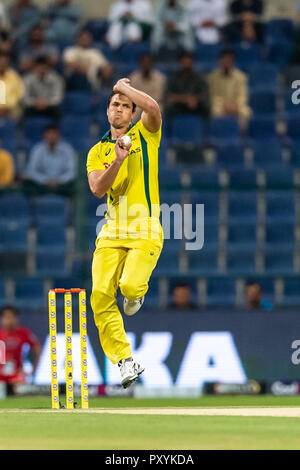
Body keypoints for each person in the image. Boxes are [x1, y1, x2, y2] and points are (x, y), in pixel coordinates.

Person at [87, 78, 163, 388]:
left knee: (130, 288)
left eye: (125, 106)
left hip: (145, 226)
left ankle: (138, 293)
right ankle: (124, 361)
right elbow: (96, 188)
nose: (119, 109)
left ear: (132, 114)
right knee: (100, 295)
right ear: (107, 112)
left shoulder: (146, 134)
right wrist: (118, 160)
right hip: (112, 231)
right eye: (115, 104)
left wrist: (124, 86)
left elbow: (154, 108)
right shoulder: (97, 151)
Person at [209, 49, 251, 128]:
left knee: (246, 112)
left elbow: (243, 95)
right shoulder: (213, 77)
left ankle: (240, 135)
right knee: (214, 111)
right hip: (220, 106)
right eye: (224, 59)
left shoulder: (241, 76)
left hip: (236, 105)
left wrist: (236, 105)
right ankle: (219, 133)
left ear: (233, 61)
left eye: (229, 60)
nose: (227, 62)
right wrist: (224, 105)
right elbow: (213, 96)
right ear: (220, 61)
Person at [26, 125, 76, 190]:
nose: (51, 136)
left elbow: (72, 171)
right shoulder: (37, 149)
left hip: (63, 185)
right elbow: (31, 170)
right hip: (42, 185)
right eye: (49, 133)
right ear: (44, 136)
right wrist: (45, 180)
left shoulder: (67, 149)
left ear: (59, 136)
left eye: (54, 133)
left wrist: (60, 180)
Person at [0, 306, 41, 385]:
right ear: (2, 319)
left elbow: (37, 350)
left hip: (18, 374)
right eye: (7, 317)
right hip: (1, 374)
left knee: (20, 391)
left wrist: (33, 370)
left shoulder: (24, 333)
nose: (9, 320)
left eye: (11, 317)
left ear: (16, 318)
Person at [165, 51, 210, 119]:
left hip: (195, 105)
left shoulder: (199, 78)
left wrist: (195, 99)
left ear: (192, 64)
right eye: (184, 63)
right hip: (178, 106)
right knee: (168, 109)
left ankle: (205, 129)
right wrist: (186, 99)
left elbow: (205, 94)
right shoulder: (173, 78)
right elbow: (168, 96)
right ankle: (168, 129)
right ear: (180, 63)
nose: (186, 66)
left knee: (206, 109)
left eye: (188, 63)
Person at [129, 52, 166, 119]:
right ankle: (131, 129)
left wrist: (146, 106)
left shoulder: (160, 78)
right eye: (144, 62)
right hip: (138, 106)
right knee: (133, 111)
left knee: (159, 109)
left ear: (152, 64)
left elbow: (158, 97)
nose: (146, 64)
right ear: (140, 63)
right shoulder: (133, 77)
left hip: (154, 105)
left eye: (148, 62)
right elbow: (132, 96)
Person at [0, 52, 24, 120]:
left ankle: (14, 130)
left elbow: (19, 94)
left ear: (8, 63)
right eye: (0, 61)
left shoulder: (14, 76)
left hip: (11, 109)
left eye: (4, 62)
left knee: (18, 111)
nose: (2, 64)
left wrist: (7, 107)